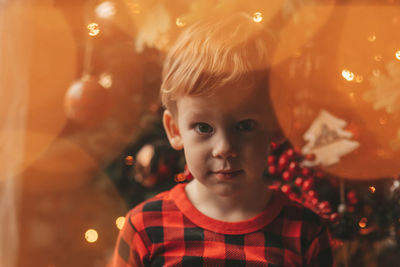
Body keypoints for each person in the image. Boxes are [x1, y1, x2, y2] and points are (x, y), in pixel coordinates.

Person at [110, 12, 333, 267]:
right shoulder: (144, 228)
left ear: (278, 124)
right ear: (174, 130)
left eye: (245, 125)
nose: (225, 148)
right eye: (204, 127)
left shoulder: (306, 232)